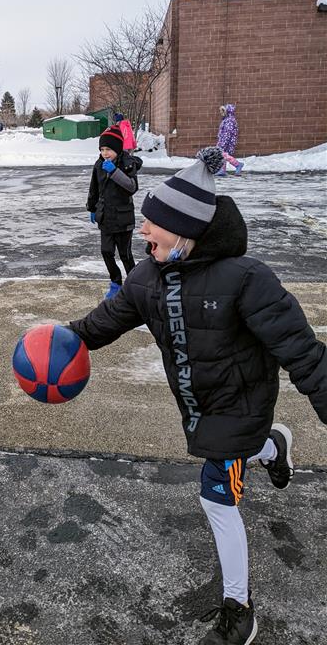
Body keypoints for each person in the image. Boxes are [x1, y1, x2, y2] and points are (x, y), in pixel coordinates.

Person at [69, 146, 326, 645]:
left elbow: (302, 350)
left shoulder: (247, 279)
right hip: (199, 404)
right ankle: (275, 447)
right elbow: (105, 321)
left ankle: (239, 608)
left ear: (186, 230)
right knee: (243, 453)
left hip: (241, 401)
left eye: (153, 224)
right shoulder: (149, 276)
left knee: (216, 497)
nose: (143, 232)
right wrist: (63, 339)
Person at [87, 125, 143, 300]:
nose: (105, 153)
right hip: (105, 216)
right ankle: (116, 282)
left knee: (125, 254)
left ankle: (134, 285)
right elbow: (94, 189)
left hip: (123, 217)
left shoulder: (127, 164)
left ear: (117, 149)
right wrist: (92, 208)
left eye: (109, 149)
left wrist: (114, 171)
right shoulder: (99, 165)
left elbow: (132, 187)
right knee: (106, 251)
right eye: (102, 149)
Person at [216, 104, 244, 176]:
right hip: (224, 140)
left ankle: (238, 164)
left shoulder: (230, 120)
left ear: (227, 111)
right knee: (223, 155)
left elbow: (227, 133)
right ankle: (222, 170)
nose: (221, 113)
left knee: (223, 154)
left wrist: (223, 143)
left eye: (223, 111)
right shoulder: (227, 119)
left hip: (226, 141)